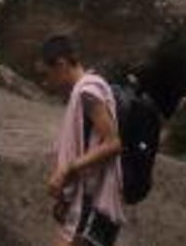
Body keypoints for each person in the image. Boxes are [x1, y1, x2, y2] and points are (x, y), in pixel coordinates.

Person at [39, 35, 124, 246]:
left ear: (61, 64)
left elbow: (113, 143)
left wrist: (66, 169)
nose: (46, 82)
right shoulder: (83, 91)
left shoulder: (88, 92)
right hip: (85, 197)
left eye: (47, 75)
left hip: (92, 199)